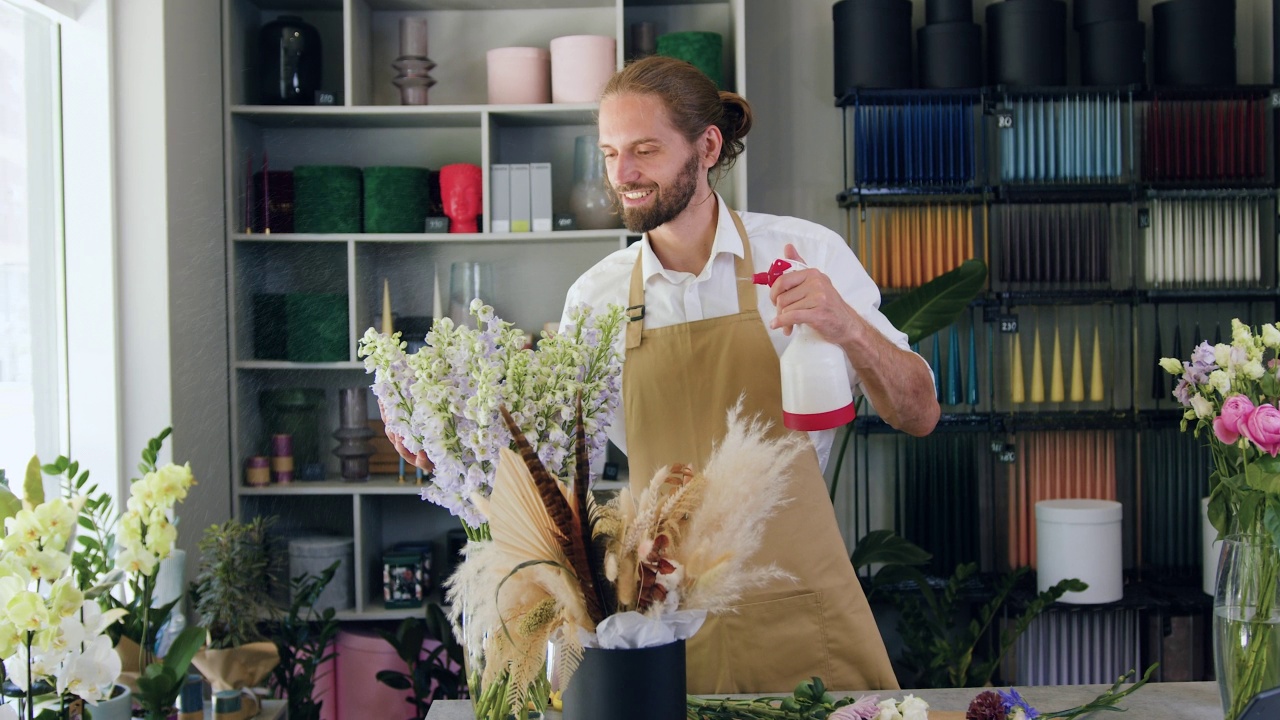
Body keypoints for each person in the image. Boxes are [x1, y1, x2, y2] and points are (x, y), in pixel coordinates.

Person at [387, 55, 940, 694]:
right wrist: (450, 445)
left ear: (706, 147)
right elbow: (560, 469)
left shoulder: (802, 254)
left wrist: (845, 325)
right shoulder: (593, 301)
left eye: (645, 150)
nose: (622, 175)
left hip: (799, 599)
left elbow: (919, 412)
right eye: (609, 152)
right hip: (663, 620)